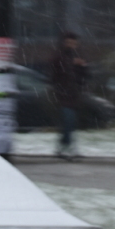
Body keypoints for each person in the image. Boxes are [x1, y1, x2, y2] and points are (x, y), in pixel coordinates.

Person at [49, 31, 88, 159]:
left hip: (73, 95)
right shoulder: (59, 57)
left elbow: (84, 77)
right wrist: (73, 64)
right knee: (68, 121)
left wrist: (82, 67)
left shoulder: (75, 56)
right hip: (63, 95)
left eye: (74, 43)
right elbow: (56, 75)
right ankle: (67, 148)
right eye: (69, 42)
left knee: (70, 124)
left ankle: (62, 148)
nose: (71, 45)